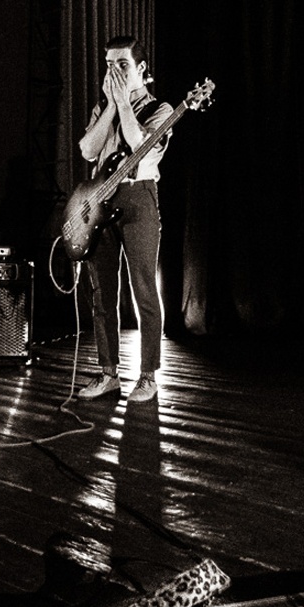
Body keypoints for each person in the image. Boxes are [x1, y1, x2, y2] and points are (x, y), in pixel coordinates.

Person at [77, 36, 173, 403]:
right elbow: (88, 150)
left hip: (138, 197)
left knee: (143, 289)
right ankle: (108, 373)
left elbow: (139, 146)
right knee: (102, 291)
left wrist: (123, 104)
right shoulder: (103, 106)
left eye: (122, 65)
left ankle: (147, 376)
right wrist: (110, 108)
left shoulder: (161, 109)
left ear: (141, 69)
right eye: (109, 65)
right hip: (101, 198)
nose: (114, 72)